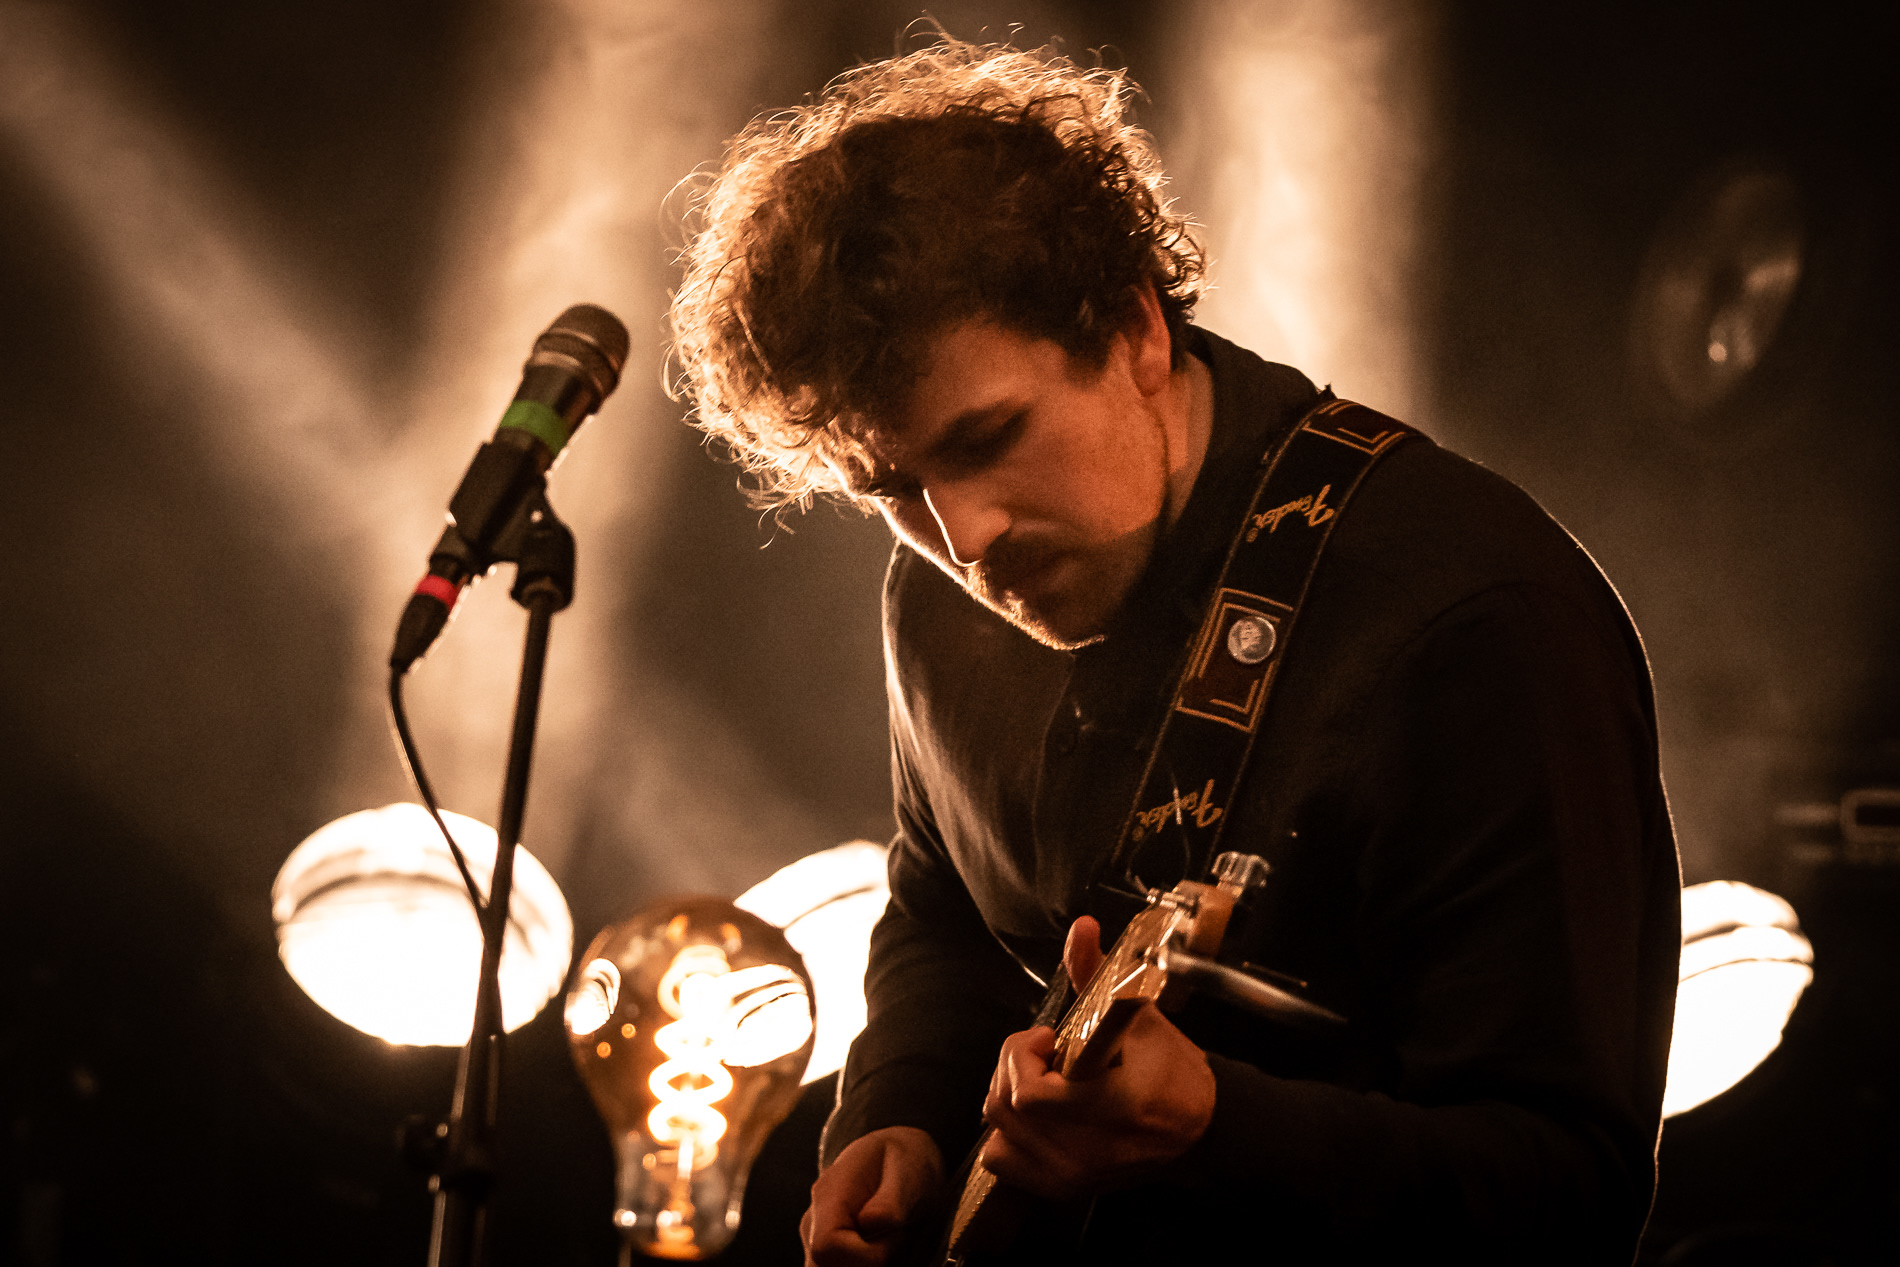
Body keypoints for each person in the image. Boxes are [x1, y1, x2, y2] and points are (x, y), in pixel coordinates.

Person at [668, 39, 1681, 1266]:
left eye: (988, 438)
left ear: (1136, 331)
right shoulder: (938, 596)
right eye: (892, 488)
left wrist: (1217, 1128)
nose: (961, 536)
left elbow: (1569, 1196)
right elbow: (944, 904)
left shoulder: (1473, 621)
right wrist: (898, 1113)